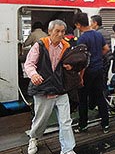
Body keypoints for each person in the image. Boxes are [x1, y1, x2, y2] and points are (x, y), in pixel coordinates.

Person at [24, 19, 76, 154]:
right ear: (49, 31)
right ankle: (34, 138)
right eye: (57, 31)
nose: (60, 34)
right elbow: (29, 64)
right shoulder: (40, 45)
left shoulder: (66, 46)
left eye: (62, 31)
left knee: (66, 121)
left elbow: (69, 64)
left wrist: (70, 66)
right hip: (43, 88)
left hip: (60, 88)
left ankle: (68, 149)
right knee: (41, 120)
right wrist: (34, 75)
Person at [73, 13, 110, 134]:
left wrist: (80, 77)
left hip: (87, 72)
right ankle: (105, 124)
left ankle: (83, 125)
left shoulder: (82, 39)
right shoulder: (98, 34)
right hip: (99, 70)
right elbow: (106, 49)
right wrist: (97, 57)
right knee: (100, 97)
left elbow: (82, 61)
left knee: (83, 99)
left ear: (78, 24)